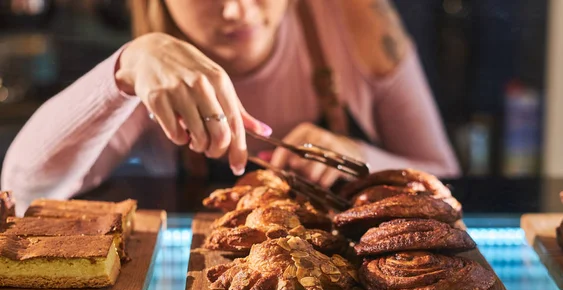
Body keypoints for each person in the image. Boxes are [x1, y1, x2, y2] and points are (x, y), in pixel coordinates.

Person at [1, 0, 460, 214]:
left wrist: (355, 160)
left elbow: (451, 183)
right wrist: (125, 70)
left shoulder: (360, 19)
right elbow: (22, 190)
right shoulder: (152, 73)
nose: (236, 10)